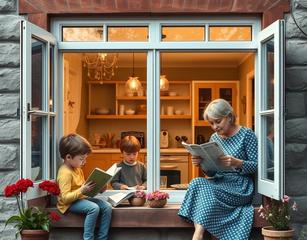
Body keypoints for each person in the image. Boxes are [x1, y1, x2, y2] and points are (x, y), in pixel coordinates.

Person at [178, 98, 258, 240]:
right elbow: (212, 172)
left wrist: (238, 163)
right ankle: (199, 233)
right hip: (220, 181)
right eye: (211, 123)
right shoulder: (215, 137)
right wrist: (201, 163)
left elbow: (257, 166)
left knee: (205, 190)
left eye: (218, 121)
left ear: (229, 116)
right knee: (196, 182)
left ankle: (197, 236)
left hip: (240, 187)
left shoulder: (247, 135)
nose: (215, 126)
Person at [57, 133, 112, 240]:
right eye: (82, 159)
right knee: (93, 208)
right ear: (68, 157)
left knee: (107, 207)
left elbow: (83, 189)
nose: (84, 162)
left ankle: (102, 238)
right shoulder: (65, 173)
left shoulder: (77, 169)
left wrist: (100, 187)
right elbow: (65, 198)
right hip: (69, 203)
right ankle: (88, 238)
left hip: (80, 198)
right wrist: (82, 190)